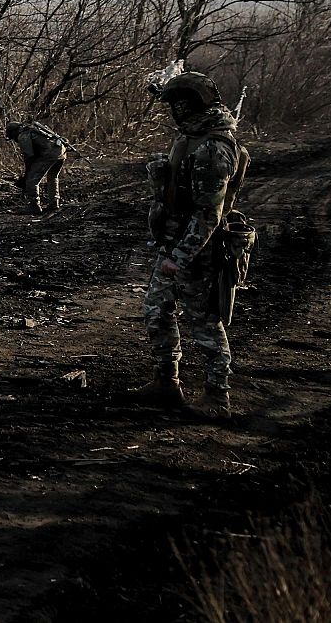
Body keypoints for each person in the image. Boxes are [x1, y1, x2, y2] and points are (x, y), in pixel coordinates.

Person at [132, 71, 249, 418]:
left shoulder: (214, 147)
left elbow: (208, 214)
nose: (173, 111)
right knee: (156, 310)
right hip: (173, 242)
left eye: (177, 104)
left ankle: (217, 397)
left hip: (199, 250)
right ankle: (166, 383)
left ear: (190, 106)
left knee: (205, 323)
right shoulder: (194, 136)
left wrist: (181, 256)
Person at [4, 121, 68, 213]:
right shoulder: (34, 131)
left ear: (13, 132)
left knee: (32, 180)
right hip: (61, 152)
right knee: (53, 177)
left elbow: (29, 155)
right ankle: (54, 203)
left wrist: (27, 173)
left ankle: (34, 205)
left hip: (49, 154)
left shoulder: (23, 136)